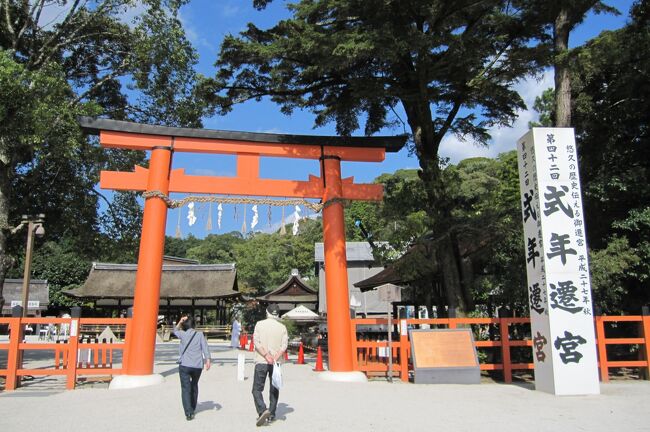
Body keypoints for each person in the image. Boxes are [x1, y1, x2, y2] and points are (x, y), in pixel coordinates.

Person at [252, 304, 288, 427]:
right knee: (274, 388)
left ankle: (262, 410)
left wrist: (266, 355)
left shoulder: (259, 324)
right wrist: (275, 357)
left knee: (257, 389)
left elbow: (256, 341)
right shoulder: (282, 327)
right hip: (276, 362)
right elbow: (284, 345)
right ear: (277, 314)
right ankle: (271, 414)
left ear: (267, 312)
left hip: (262, 360)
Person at [173, 315, 211, 421]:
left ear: (185, 325)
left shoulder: (182, 334)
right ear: (194, 324)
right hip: (197, 365)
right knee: (194, 385)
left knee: (185, 388)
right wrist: (208, 359)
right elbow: (205, 347)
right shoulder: (199, 334)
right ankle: (193, 407)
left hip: (184, 365)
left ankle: (188, 412)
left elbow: (175, 330)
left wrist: (180, 321)